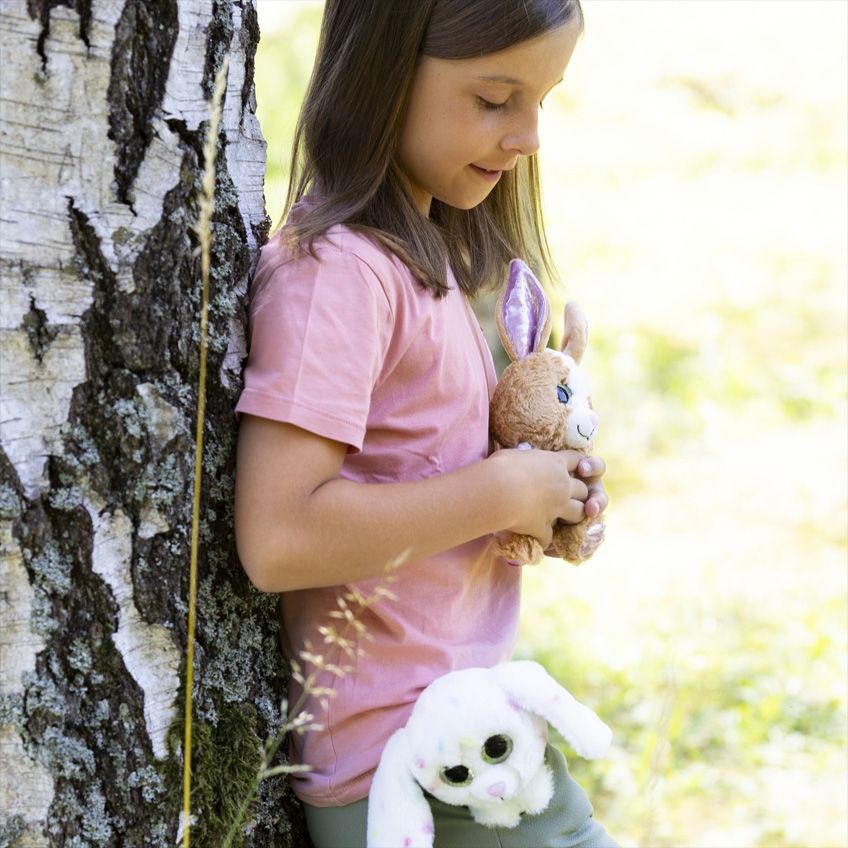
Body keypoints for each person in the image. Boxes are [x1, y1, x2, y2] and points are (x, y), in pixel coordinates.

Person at [234, 1, 617, 845]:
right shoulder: (336, 275)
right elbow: (278, 538)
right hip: (407, 772)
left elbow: (428, 480)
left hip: (473, 740)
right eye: (494, 99)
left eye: (542, 100)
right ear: (384, 72)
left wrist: (538, 493)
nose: (528, 137)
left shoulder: (437, 262)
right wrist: (496, 490)